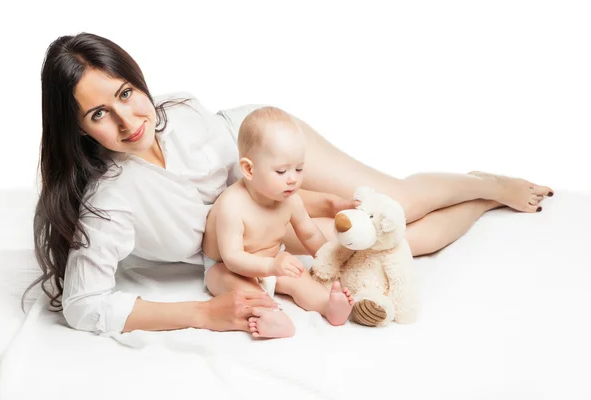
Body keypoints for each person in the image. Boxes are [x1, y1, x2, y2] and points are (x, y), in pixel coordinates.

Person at [27, 32, 553, 336]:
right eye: (99, 113)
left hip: (264, 150)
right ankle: (484, 199)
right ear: (76, 128)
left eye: (125, 93)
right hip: (246, 227)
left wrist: (315, 201)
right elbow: (84, 303)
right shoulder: (110, 202)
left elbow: (250, 177)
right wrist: (204, 314)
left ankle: (488, 183)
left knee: (393, 203)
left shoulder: (181, 111)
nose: (127, 121)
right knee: (404, 242)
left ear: (138, 79)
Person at [202, 106, 356, 338]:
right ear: (249, 169)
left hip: (274, 258)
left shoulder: (290, 199)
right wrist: (269, 269)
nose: (293, 179)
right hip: (225, 267)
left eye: (299, 168)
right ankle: (271, 315)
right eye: (282, 171)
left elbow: (309, 233)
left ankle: (328, 306)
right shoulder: (231, 205)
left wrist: (330, 261)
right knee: (244, 291)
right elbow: (232, 258)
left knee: (299, 278)